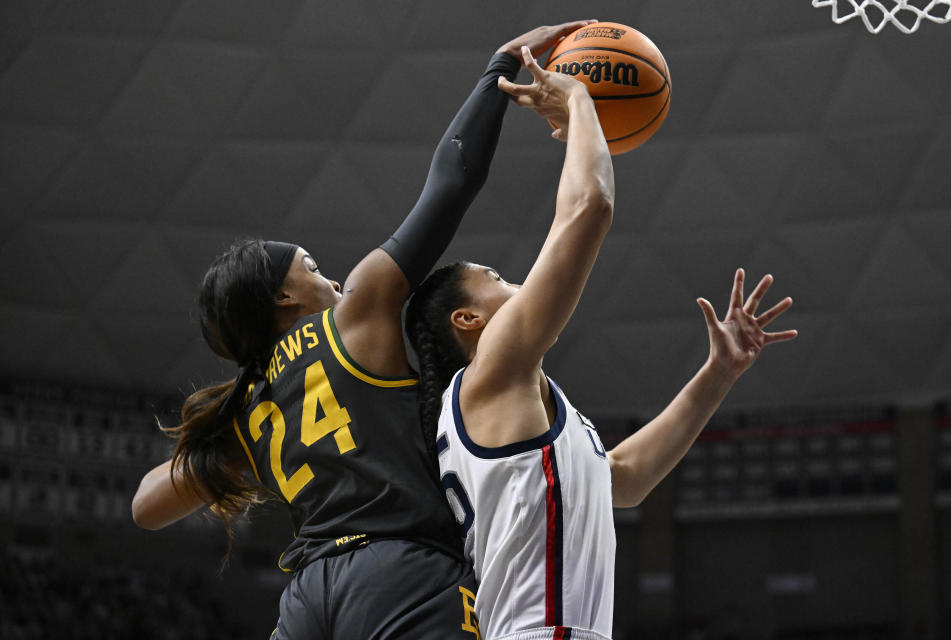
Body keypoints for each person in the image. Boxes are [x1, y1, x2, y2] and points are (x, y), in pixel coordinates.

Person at [130, 22, 597, 640]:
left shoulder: (248, 409)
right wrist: (497, 72)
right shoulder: (355, 312)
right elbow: (453, 180)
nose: (330, 278)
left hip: (305, 599)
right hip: (400, 570)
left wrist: (223, 452)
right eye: (313, 268)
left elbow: (145, 507)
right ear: (284, 296)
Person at [405, 47, 798, 640]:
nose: (517, 282)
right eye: (496, 279)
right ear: (467, 321)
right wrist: (582, 100)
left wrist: (718, 371)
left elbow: (627, 476)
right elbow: (589, 207)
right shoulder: (489, 371)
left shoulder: (516, 405)